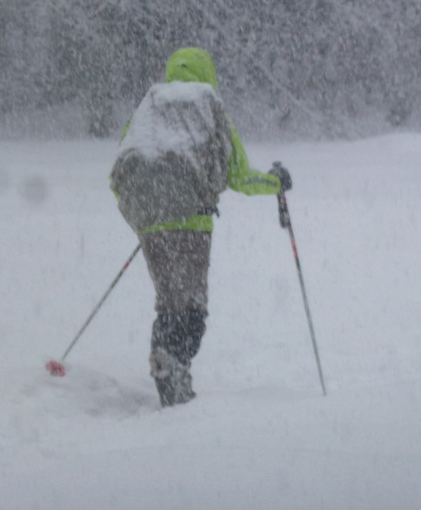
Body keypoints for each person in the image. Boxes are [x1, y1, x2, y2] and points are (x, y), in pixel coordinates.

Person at [110, 47, 292, 407]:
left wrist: (153, 209)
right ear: (207, 72)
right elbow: (239, 176)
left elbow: (124, 166)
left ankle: (166, 360)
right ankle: (172, 366)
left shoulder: (150, 106)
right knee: (191, 307)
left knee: (168, 302)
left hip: (149, 221)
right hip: (192, 225)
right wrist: (275, 182)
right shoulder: (208, 105)